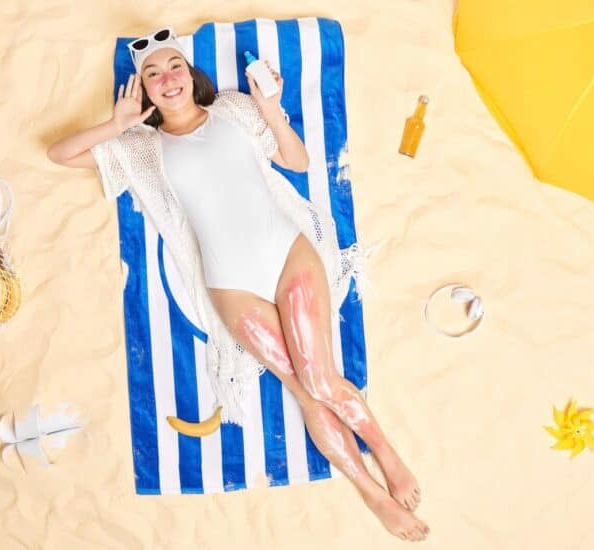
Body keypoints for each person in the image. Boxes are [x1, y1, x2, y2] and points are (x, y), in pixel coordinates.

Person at [47, 27, 429, 542]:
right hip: (232, 284)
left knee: (319, 379)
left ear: (190, 71)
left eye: (173, 66)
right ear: (144, 91)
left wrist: (270, 106)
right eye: (152, 74)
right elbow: (60, 154)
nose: (167, 79)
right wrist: (114, 124)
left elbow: (297, 161)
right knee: (302, 390)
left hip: (286, 253)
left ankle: (385, 451)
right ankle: (370, 492)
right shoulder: (142, 145)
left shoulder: (232, 109)